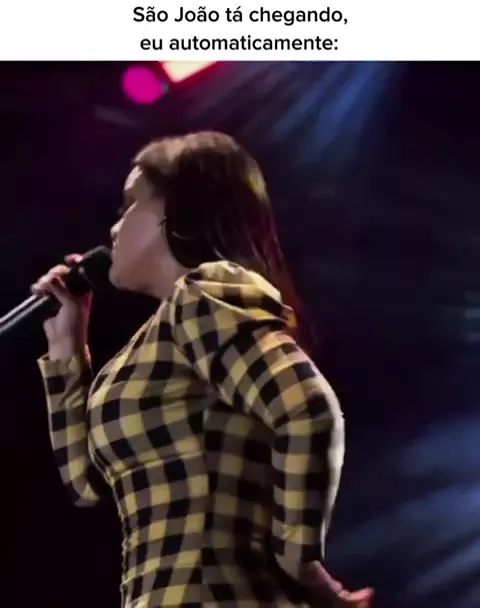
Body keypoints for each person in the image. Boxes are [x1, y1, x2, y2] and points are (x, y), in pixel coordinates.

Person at [34, 132, 373, 607]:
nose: (113, 229)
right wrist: (68, 347)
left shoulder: (205, 295)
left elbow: (306, 408)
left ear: (175, 210)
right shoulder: (154, 341)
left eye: (129, 205)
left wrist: (300, 560)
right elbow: (88, 484)